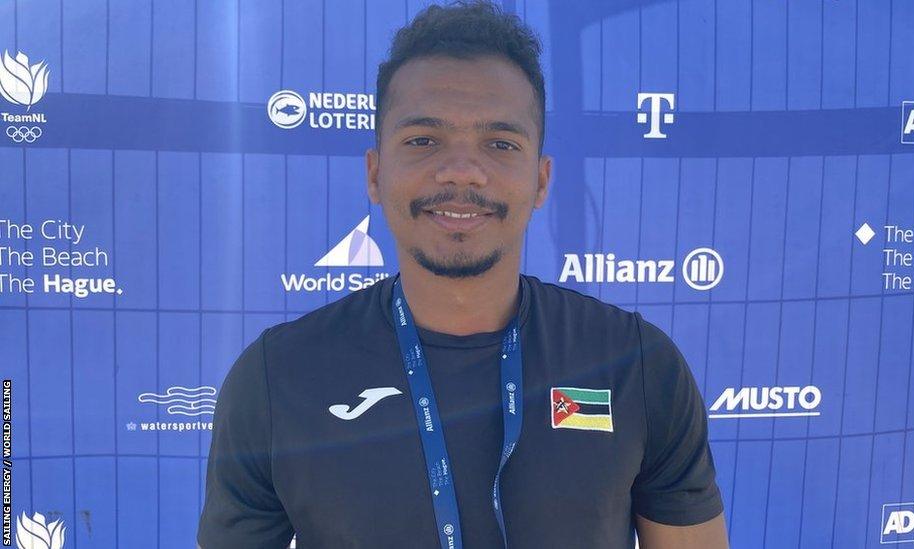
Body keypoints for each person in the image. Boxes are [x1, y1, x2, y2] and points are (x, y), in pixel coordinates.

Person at [197, 2, 728, 547]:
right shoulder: (277, 377)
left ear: (541, 181)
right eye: (423, 140)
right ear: (375, 173)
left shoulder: (636, 365)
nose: (460, 170)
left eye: (501, 144)